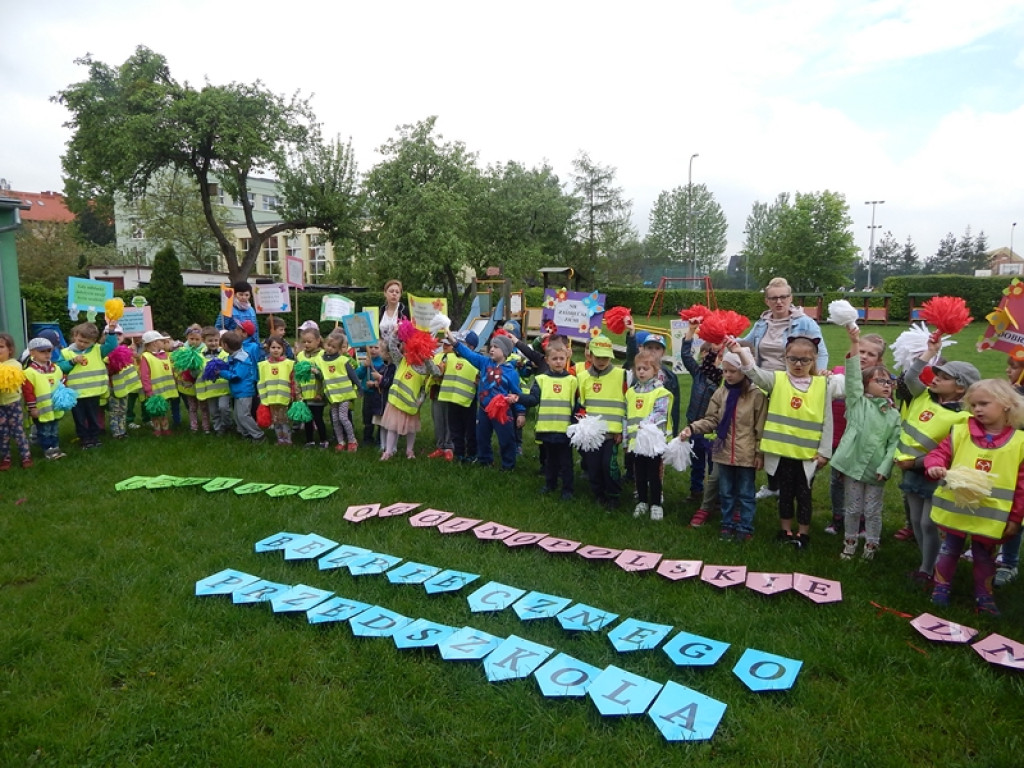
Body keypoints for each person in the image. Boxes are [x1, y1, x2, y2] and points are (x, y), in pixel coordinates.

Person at [728, 334, 842, 549]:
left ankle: (804, 533)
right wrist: (741, 352)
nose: (798, 364)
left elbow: (828, 420)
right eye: (792, 359)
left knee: (804, 494)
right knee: (785, 493)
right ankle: (785, 530)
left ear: (814, 360)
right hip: (781, 452)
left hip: (808, 455)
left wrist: (825, 452)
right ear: (785, 358)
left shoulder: (823, 384)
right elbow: (754, 372)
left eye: (805, 360)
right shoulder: (777, 379)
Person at [925, 378, 1024, 617]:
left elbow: (1021, 485)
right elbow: (939, 453)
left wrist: (1015, 518)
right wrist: (934, 466)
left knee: (984, 555)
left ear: (1006, 405)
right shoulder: (961, 432)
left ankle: (984, 595)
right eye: (974, 404)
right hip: (957, 510)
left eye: (984, 404)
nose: (977, 409)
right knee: (949, 549)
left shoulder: (1019, 443)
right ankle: (940, 587)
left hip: (989, 517)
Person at [894, 336, 976, 588]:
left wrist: (917, 463)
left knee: (930, 523)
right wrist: (929, 352)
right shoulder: (924, 396)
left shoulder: (964, 416)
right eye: (937, 375)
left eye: (944, 377)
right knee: (918, 520)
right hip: (910, 471)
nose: (936, 378)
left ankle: (931, 569)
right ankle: (926, 563)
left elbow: (951, 450)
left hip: (934, 473)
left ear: (960, 387)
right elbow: (910, 378)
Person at [740, 277, 828, 501]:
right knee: (768, 433)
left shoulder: (805, 323)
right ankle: (774, 485)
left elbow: (822, 352)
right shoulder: (762, 323)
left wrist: (816, 378)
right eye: (774, 298)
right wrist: (725, 339)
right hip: (764, 383)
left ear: (790, 298)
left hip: (793, 385)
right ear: (766, 301)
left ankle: (799, 484)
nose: (779, 302)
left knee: (791, 433)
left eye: (783, 297)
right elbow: (747, 343)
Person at [679, 350, 767, 541]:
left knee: (745, 493)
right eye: (725, 370)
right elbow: (712, 419)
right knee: (725, 492)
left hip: (746, 454)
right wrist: (692, 428)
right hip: (723, 451)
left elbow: (760, 427)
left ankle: (745, 527)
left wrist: (759, 453)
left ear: (744, 371)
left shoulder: (756, 395)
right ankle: (727, 525)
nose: (726, 375)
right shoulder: (721, 392)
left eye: (732, 371)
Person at [830, 326, 901, 560]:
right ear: (866, 384)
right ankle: (849, 544)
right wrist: (853, 343)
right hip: (852, 466)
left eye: (888, 382)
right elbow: (851, 377)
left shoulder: (893, 415)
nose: (885, 385)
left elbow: (894, 444)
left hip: (875, 470)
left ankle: (870, 547)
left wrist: (885, 467)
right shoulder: (857, 403)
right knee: (852, 508)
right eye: (879, 381)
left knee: (872, 511)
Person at [825, 331, 887, 535]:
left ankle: (860, 520)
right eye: (861, 351)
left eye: (871, 354)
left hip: (863, 441)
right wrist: (826, 379)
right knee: (837, 479)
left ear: (879, 360)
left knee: (860, 480)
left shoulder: (880, 381)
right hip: (839, 436)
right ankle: (838, 517)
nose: (864, 356)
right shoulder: (839, 372)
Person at [447, 330, 525, 471]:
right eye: (491, 346)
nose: (492, 349)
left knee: (506, 438)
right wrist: (454, 342)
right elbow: (468, 354)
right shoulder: (484, 362)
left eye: (496, 347)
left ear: (505, 351)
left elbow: (517, 393)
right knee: (481, 437)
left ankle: (508, 465)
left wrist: (520, 413)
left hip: (502, 411)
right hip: (484, 409)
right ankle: (485, 461)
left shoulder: (511, 372)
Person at [512, 339, 579, 499]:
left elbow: (577, 404)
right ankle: (550, 484)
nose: (558, 362)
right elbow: (534, 399)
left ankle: (567, 489)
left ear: (566, 359)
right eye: (554, 359)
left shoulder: (572, 381)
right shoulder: (541, 379)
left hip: (565, 429)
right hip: (547, 428)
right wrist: (518, 398)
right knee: (550, 460)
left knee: (566, 462)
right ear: (547, 360)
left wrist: (576, 424)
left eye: (561, 358)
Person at [576, 334, 627, 509]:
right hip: (591, 433)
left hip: (612, 433)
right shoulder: (582, 377)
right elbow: (582, 404)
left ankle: (613, 495)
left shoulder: (621, 375)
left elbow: (626, 404)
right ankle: (598, 494)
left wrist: (621, 430)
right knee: (593, 466)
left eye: (606, 357)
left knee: (608, 464)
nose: (602, 360)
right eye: (598, 357)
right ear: (590, 356)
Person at [679, 319, 724, 505]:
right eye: (705, 354)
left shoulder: (724, 379)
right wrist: (691, 330)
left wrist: (718, 346)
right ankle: (696, 491)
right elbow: (685, 356)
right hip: (695, 425)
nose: (710, 358)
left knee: (714, 464)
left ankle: (714, 497)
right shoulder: (699, 373)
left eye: (715, 355)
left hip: (713, 429)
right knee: (697, 460)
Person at [625, 349, 673, 521]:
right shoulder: (631, 392)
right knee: (639, 473)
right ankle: (642, 501)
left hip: (652, 443)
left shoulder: (660, 392)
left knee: (654, 474)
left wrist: (644, 426)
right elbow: (627, 416)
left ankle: (656, 504)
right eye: (638, 369)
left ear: (655, 370)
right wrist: (626, 438)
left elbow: (660, 413)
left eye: (646, 369)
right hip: (635, 442)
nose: (642, 372)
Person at [379, 329, 438, 460]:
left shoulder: (424, 367)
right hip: (396, 401)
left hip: (412, 404)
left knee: (411, 429)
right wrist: (395, 333)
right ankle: (388, 451)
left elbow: (436, 372)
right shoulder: (401, 361)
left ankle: (409, 450)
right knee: (392, 428)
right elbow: (392, 347)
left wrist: (426, 359)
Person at [59, 321, 118, 448]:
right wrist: (73, 361)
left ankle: (94, 437)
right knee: (79, 418)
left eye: (87, 342)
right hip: (76, 393)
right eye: (80, 340)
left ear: (94, 341)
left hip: (94, 392)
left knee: (93, 417)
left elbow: (111, 346)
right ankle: (84, 438)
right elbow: (61, 367)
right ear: (75, 336)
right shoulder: (65, 352)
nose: (82, 344)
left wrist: (111, 331)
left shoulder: (97, 350)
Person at [995, 357, 1024, 587]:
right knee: (997, 504)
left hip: (1020, 464)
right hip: (1003, 460)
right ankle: (991, 546)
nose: (1008, 370)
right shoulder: (1012, 392)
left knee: (1016, 513)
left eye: (1013, 367)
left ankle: (1009, 561)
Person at [22, 336, 67, 460]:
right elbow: (28, 393)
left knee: (54, 429)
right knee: (44, 431)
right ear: (32, 353)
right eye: (42, 351)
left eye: (49, 351)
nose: (47, 354)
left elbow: (62, 382)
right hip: (41, 409)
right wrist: (32, 408)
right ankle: (48, 450)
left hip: (55, 407)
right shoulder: (29, 373)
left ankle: (56, 448)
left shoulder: (56, 368)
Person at [437, 331, 479, 464]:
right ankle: (459, 453)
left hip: (468, 402)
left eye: (461, 343)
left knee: (470, 430)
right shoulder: (449, 358)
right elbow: (438, 371)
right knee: (455, 429)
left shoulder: (477, 360)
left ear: (471, 347)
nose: (456, 346)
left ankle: (472, 454)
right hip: (452, 401)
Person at [218, 330, 264, 442]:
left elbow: (236, 376)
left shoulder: (242, 359)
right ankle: (246, 434)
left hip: (245, 391)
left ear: (225, 345)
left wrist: (220, 372)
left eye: (222, 344)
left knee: (244, 415)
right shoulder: (234, 356)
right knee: (238, 415)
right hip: (238, 391)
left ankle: (259, 435)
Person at [321, 331, 360, 452]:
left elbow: (353, 375)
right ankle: (341, 441)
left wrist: (359, 387)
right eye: (328, 345)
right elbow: (322, 376)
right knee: (335, 419)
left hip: (345, 395)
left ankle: (352, 440)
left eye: (334, 347)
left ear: (339, 349)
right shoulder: (321, 360)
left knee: (343, 417)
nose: (330, 348)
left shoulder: (343, 360)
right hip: (333, 396)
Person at [0, 333, 32, 469]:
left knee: (18, 431)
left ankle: (26, 456)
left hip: (13, 404)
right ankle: (6, 457)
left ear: (10, 350)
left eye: (1, 346)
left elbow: (9, 379)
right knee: (2, 433)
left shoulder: (14, 365)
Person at [257, 336, 297, 445]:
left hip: (284, 397)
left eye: (278, 347)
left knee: (284, 420)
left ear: (283, 349)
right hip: (270, 397)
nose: (275, 350)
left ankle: (287, 440)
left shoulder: (289, 363)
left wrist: (294, 393)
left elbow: (293, 380)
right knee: (275, 421)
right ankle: (280, 439)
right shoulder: (263, 365)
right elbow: (261, 380)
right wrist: (261, 395)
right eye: (273, 347)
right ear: (268, 349)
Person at [137, 330, 178, 437]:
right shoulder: (146, 357)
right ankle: (157, 429)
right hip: (154, 391)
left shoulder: (165, 355)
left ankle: (165, 428)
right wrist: (148, 390)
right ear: (154, 343)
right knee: (155, 412)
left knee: (163, 410)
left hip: (165, 390)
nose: (164, 342)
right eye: (161, 341)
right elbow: (144, 375)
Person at [296, 327, 329, 448]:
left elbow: (325, 377)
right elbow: (297, 376)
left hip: (317, 396)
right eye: (304, 341)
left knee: (318, 419)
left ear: (318, 341)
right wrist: (298, 394)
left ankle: (323, 440)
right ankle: (309, 440)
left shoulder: (322, 355)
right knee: (307, 419)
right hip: (305, 395)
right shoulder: (300, 356)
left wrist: (320, 393)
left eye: (309, 342)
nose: (306, 344)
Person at [106, 326, 141, 440]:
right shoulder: (105, 351)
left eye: (119, 334)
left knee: (123, 409)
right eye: (113, 334)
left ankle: (122, 429)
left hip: (124, 385)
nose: (116, 336)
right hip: (113, 386)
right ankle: (116, 431)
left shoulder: (126, 349)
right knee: (115, 410)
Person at [195, 327, 232, 435]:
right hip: (210, 390)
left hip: (224, 389)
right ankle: (218, 429)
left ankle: (227, 425)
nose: (213, 343)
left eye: (216, 340)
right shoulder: (199, 356)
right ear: (204, 341)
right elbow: (196, 373)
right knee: (214, 411)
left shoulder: (225, 354)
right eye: (210, 341)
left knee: (223, 408)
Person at [355, 341, 389, 450]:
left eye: (376, 347)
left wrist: (375, 384)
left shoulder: (383, 363)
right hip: (368, 395)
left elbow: (385, 379)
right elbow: (358, 375)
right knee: (367, 417)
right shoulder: (366, 361)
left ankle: (380, 440)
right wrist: (364, 367)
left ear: (382, 350)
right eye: (371, 347)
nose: (373, 350)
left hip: (379, 396)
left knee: (379, 417)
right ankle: (367, 438)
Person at [175, 324, 208, 433]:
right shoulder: (183, 350)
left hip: (201, 382)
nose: (194, 341)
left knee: (204, 407)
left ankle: (206, 426)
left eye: (197, 339)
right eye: (191, 339)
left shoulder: (205, 349)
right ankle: (194, 426)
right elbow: (178, 366)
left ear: (202, 339)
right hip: (188, 384)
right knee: (192, 407)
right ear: (187, 338)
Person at [428, 338, 456, 460]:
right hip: (437, 392)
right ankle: (440, 446)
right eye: (444, 343)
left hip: (450, 393)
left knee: (449, 420)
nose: (445, 345)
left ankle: (449, 447)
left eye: (448, 344)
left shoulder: (457, 358)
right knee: (438, 419)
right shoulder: (437, 356)